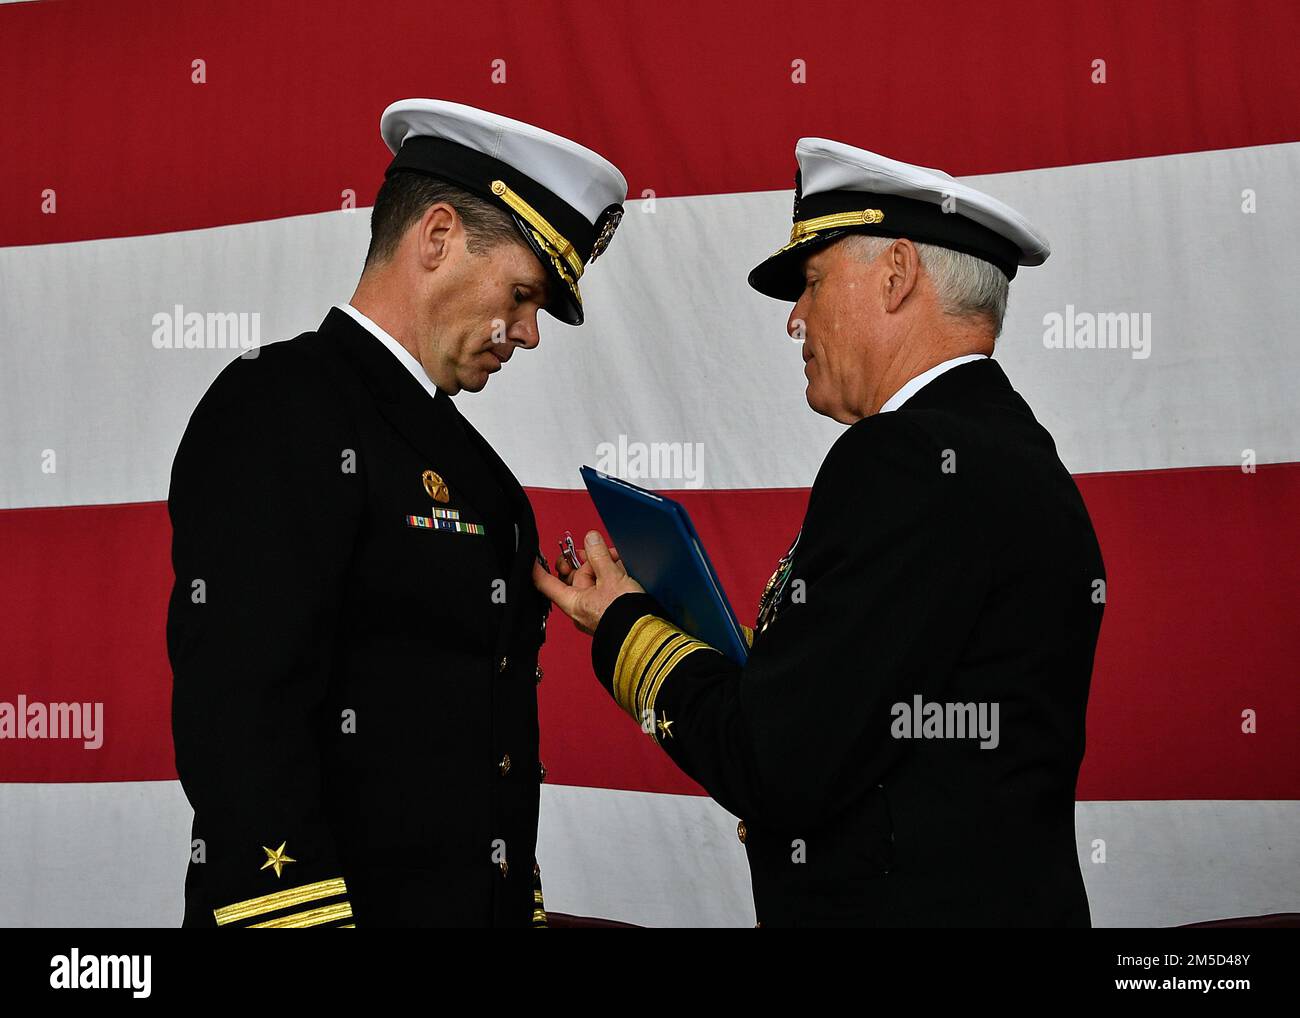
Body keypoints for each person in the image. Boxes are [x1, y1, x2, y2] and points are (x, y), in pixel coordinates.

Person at [535, 138, 1106, 927]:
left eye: (809, 283)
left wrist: (625, 627)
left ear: (897, 273)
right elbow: (865, 693)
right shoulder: (1009, 449)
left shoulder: (903, 459)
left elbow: (780, 764)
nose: (796, 320)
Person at [167, 98, 627, 927]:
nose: (527, 333)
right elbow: (243, 725)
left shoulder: (481, 476)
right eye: (522, 295)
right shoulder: (275, 409)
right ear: (439, 236)